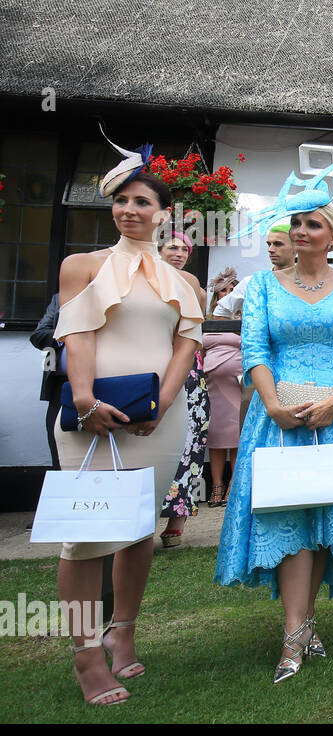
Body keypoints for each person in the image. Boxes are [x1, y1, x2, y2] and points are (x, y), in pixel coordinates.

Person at [214, 200, 333, 683]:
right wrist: (271, 404)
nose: (302, 231)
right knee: (289, 511)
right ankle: (294, 632)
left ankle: (306, 623)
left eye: (314, 224)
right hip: (279, 414)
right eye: (297, 224)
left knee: (324, 514)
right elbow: (254, 346)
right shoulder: (264, 286)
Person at [54, 154, 204, 705]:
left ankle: (123, 632)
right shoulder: (83, 265)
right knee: (86, 537)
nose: (129, 210)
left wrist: (162, 405)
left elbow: (185, 348)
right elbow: (78, 335)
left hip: (157, 422)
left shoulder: (185, 281)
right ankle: (86, 656)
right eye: (121, 200)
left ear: (164, 214)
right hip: (90, 419)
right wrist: (86, 398)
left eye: (142, 201)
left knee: (141, 527)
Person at [157, 232, 209, 547]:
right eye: (172, 247)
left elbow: (194, 324)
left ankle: (177, 519)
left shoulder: (192, 284)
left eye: (184, 249)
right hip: (151, 365)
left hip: (189, 368)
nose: (179, 253)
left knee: (189, 442)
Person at [203, 268, 242, 507]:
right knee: (215, 434)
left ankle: (234, 485)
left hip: (237, 382)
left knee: (236, 433)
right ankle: (216, 484)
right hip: (212, 384)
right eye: (222, 291)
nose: (227, 294)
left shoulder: (246, 318)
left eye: (231, 291)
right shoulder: (206, 320)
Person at [212, 223, 294, 318]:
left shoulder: (309, 282)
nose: (270, 249)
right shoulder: (253, 282)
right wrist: (247, 332)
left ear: (296, 247)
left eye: (278, 244)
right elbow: (220, 312)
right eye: (269, 244)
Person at [30, 294, 65, 470]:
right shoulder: (60, 299)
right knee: (58, 446)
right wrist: (69, 335)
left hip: (104, 383)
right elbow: (38, 336)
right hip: (60, 386)